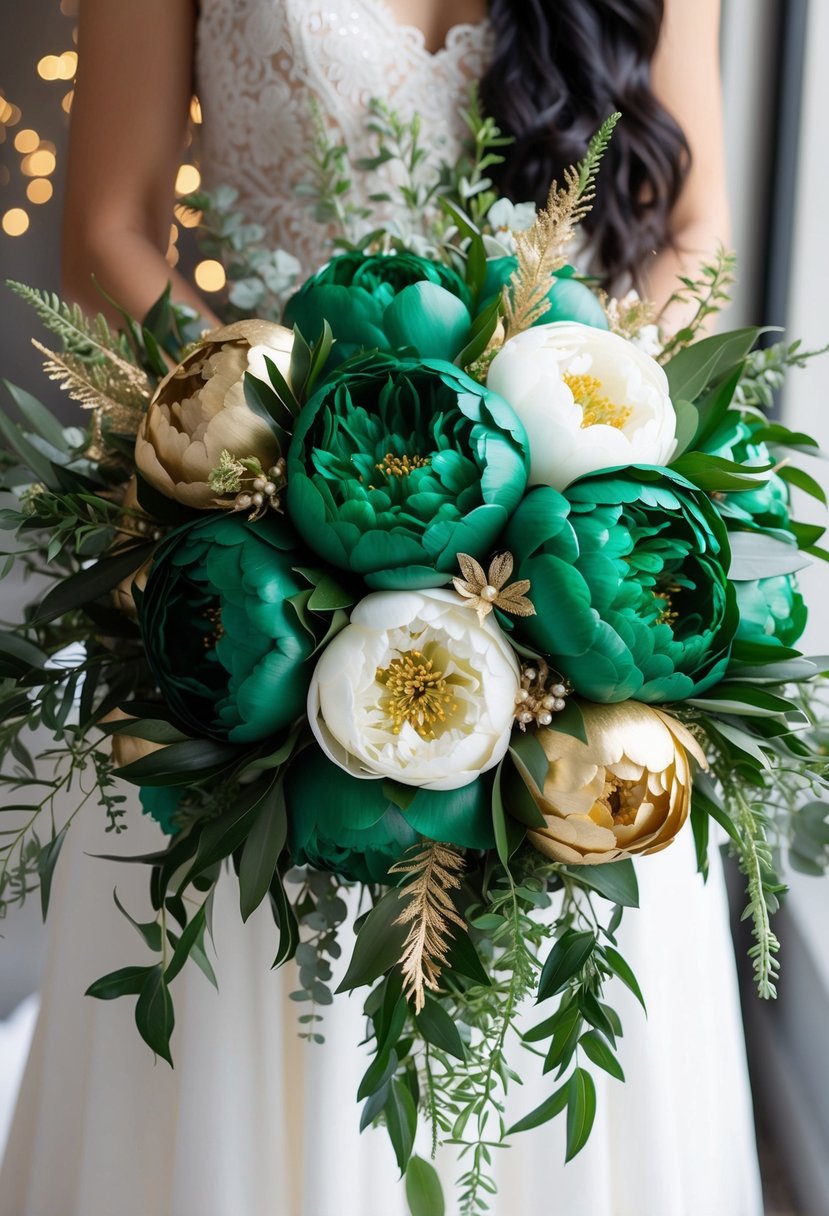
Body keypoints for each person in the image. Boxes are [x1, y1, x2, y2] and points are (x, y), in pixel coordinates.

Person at [1, 3, 763, 1214]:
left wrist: (574, 452)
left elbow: (693, 229)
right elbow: (105, 228)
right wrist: (272, 461)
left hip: (566, 580)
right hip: (259, 545)